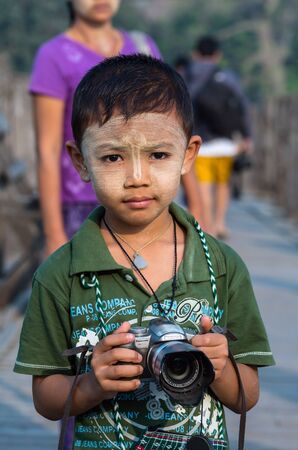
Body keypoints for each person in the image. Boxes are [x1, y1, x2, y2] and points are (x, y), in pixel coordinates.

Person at [15, 55, 274, 450]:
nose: (137, 177)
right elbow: (46, 399)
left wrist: (219, 367)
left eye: (158, 155)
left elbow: (246, 396)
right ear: (81, 161)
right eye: (113, 157)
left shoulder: (220, 266)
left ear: (188, 155)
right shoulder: (61, 273)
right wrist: (90, 384)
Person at [30, 0, 161, 257]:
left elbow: (170, 130)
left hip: (142, 195)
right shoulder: (54, 56)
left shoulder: (143, 48)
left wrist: (198, 208)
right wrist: (54, 233)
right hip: (81, 206)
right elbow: (48, 149)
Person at [185, 35, 253, 238]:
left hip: (200, 143)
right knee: (223, 183)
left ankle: (207, 227)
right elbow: (243, 106)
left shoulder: (187, 76)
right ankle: (220, 222)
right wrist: (247, 136)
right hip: (226, 142)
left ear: (195, 54)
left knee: (204, 184)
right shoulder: (227, 77)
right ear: (218, 55)